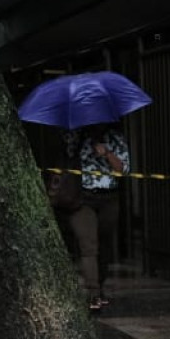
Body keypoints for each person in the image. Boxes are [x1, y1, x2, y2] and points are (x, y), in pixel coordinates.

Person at [55, 122, 130, 311]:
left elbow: (122, 170)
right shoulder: (76, 135)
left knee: (104, 244)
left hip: (108, 197)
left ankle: (100, 286)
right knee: (88, 245)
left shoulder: (115, 138)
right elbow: (68, 156)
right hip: (82, 198)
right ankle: (92, 292)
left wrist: (106, 153)